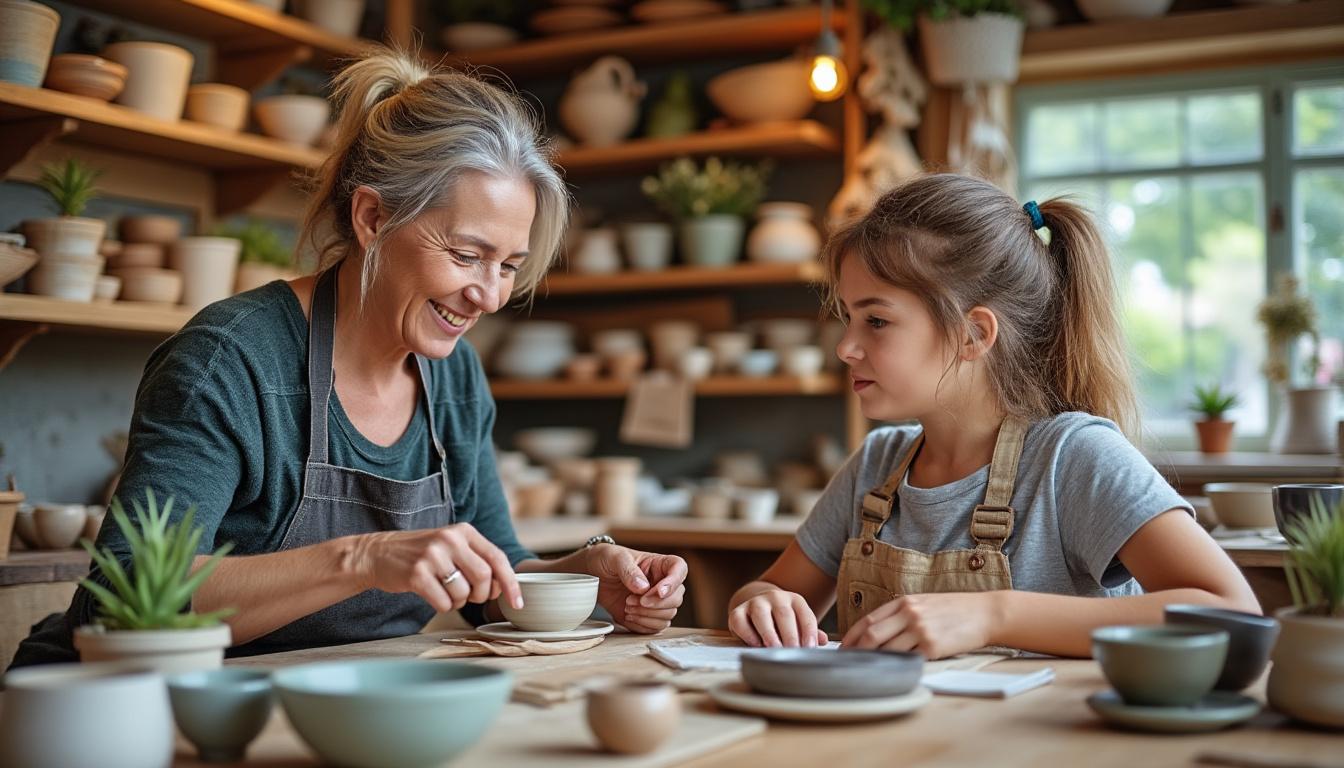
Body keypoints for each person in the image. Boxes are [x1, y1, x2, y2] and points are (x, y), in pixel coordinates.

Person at [11, 49, 686, 667]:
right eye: (466, 254)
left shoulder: (452, 375)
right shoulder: (230, 361)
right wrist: (362, 557)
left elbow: (491, 575)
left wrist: (588, 575)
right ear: (371, 219)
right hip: (129, 711)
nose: (488, 294)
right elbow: (119, 602)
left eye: (508, 265)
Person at [726, 173, 1259, 658]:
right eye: (848, 318)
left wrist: (993, 613)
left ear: (974, 334)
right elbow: (769, 589)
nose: (846, 346)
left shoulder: (1072, 457)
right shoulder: (876, 465)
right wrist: (762, 603)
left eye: (877, 321)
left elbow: (1231, 610)